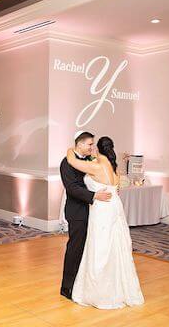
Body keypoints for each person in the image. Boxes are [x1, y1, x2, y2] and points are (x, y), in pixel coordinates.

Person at [65, 136, 144, 309]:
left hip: (102, 208)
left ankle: (101, 292)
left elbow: (71, 160)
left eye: (93, 145)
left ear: (98, 149)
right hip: (115, 206)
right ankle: (120, 288)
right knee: (116, 246)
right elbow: (116, 186)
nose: (91, 148)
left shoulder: (96, 165)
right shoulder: (112, 166)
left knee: (100, 247)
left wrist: (72, 148)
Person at [59, 131, 111, 301]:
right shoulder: (66, 163)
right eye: (89, 144)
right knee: (76, 248)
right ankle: (67, 287)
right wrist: (94, 196)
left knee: (91, 248)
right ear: (79, 144)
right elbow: (72, 188)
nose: (92, 147)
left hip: (95, 212)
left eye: (93, 144)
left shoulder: (90, 160)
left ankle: (85, 284)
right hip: (77, 212)